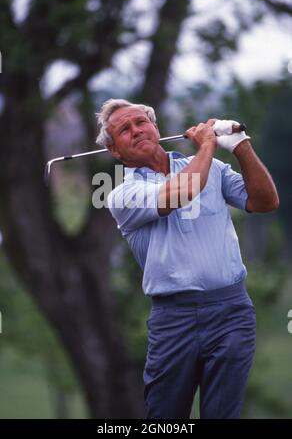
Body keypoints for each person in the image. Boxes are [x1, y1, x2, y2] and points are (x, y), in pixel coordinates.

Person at [95, 98, 279, 419]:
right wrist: (208, 144)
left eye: (141, 122)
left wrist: (240, 145)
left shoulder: (214, 169)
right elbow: (180, 193)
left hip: (232, 312)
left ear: (156, 128)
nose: (136, 131)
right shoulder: (122, 194)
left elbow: (264, 201)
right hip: (174, 319)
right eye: (124, 130)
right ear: (115, 150)